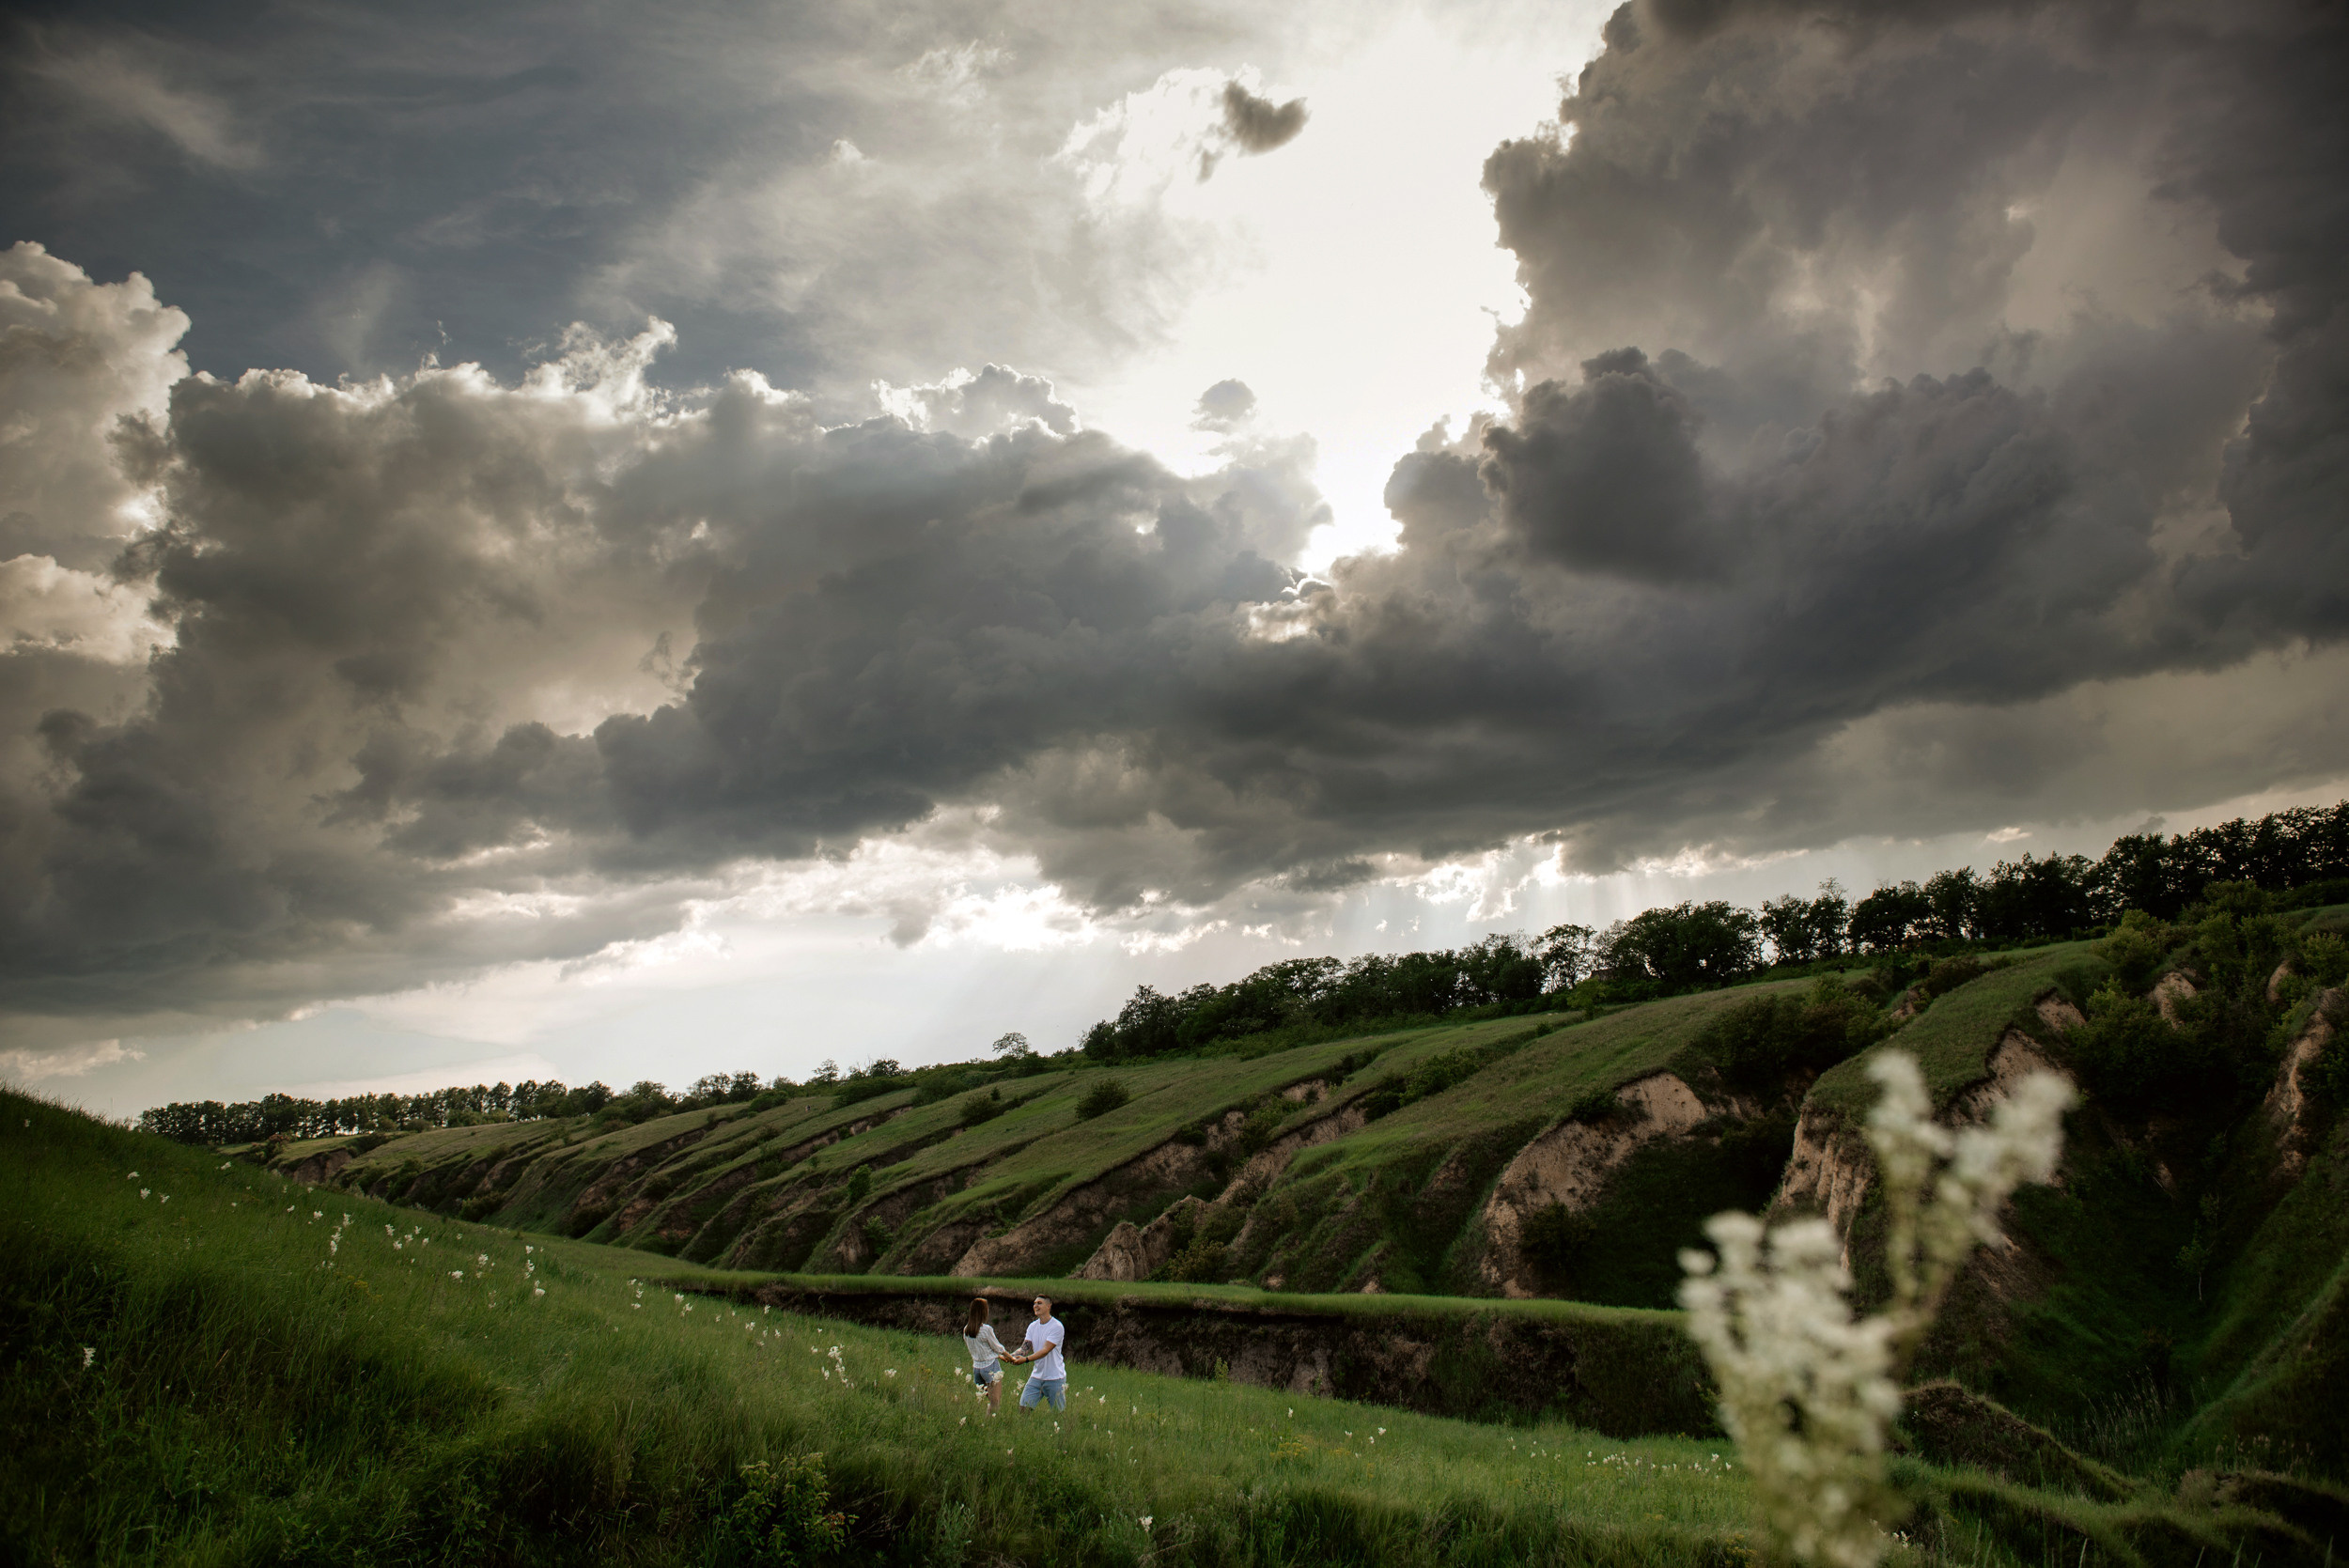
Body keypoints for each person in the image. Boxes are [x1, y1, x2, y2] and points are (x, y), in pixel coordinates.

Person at [1009, 1295, 1067, 1413]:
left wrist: (1025, 1360)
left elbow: (1045, 1350)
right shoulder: (1032, 1326)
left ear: (1048, 1306)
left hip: (1055, 1377)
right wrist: (1010, 1356)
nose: (1036, 1305)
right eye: (1035, 1303)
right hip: (1036, 1376)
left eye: (1039, 1303)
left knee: (1058, 1414)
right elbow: (1024, 1348)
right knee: (1023, 1410)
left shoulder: (1057, 1326)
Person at [961, 1297, 1012, 1415]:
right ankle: (991, 1426)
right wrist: (1011, 1358)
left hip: (977, 1369)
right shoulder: (986, 1330)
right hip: (990, 1367)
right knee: (995, 1403)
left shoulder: (966, 1330)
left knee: (990, 1401)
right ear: (983, 1312)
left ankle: (988, 1423)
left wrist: (999, 1357)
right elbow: (998, 1347)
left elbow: (981, 1350)